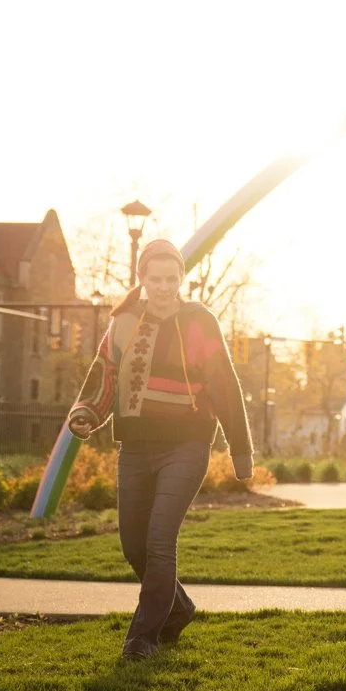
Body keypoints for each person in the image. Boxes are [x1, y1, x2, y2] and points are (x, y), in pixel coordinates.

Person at [67, 239, 254, 661]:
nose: (166, 286)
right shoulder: (124, 321)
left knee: (158, 542)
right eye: (157, 279)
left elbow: (224, 384)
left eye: (173, 278)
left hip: (186, 446)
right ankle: (179, 607)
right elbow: (105, 374)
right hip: (135, 445)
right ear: (142, 279)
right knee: (132, 544)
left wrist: (241, 450)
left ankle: (142, 636)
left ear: (181, 278)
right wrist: (86, 413)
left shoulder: (199, 321)